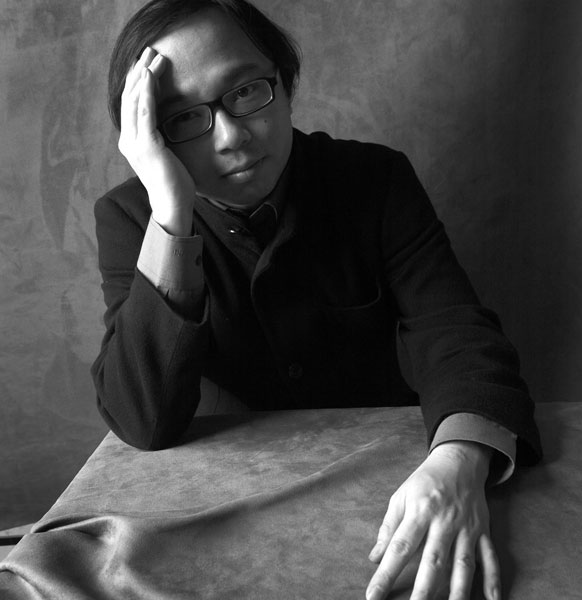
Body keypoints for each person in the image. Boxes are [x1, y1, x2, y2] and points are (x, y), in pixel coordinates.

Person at [91, 1, 542, 598]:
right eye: (182, 118)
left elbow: (454, 328)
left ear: (284, 81)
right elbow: (140, 420)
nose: (231, 137)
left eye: (246, 91)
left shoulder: (375, 179)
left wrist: (459, 457)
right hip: (227, 500)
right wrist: (170, 215)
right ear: (148, 134)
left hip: (396, 479)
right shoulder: (129, 216)